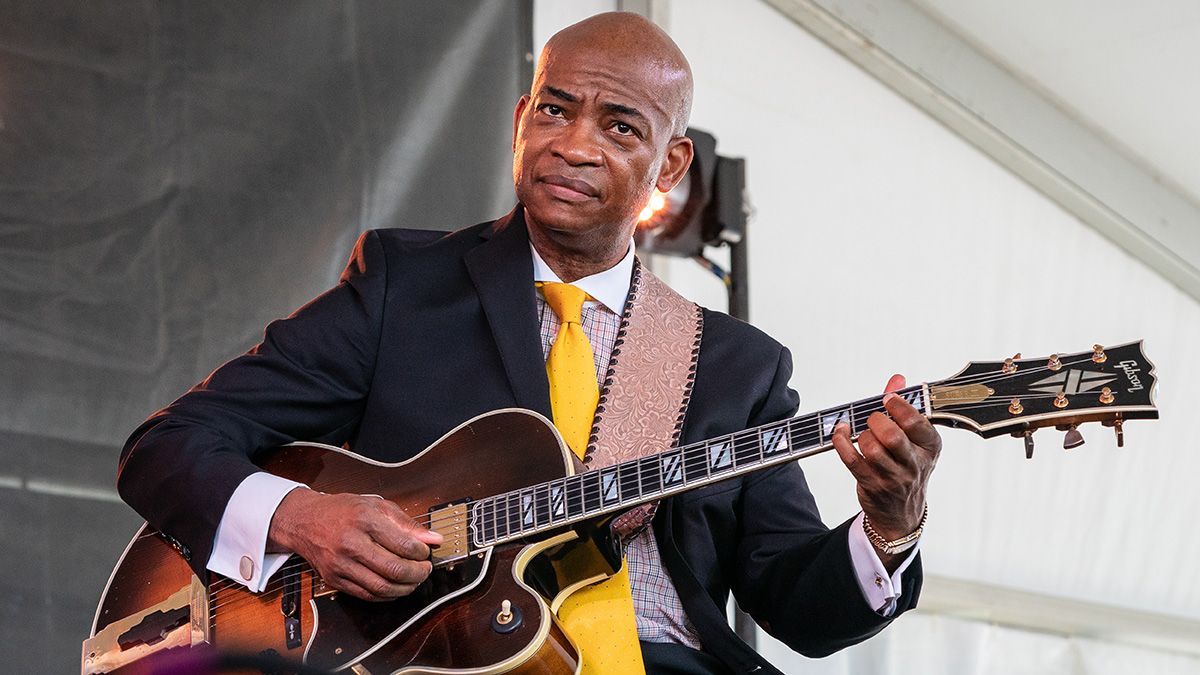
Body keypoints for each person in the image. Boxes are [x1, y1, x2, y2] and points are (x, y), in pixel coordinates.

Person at [118, 11, 940, 675]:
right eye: (555, 108)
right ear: (521, 117)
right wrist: (300, 516)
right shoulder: (406, 286)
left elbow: (803, 611)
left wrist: (889, 527)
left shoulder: (735, 364)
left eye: (620, 126)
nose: (574, 143)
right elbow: (167, 446)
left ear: (669, 164)